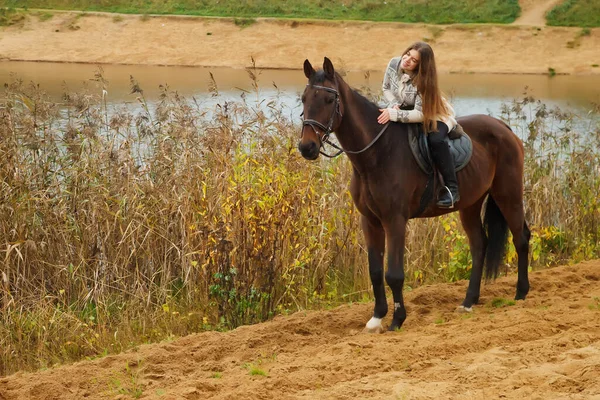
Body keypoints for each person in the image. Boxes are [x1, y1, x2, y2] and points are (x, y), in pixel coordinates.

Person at [377, 41, 460, 208]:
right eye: (407, 54)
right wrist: (393, 103)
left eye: (414, 60)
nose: (407, 60)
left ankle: (452, 189)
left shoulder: (424, 82)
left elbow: (421, 114)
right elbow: (385, 87)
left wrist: (394, 114)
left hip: (434, 114)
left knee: (436, 140)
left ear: (421, 66)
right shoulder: (394, 63)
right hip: (404, 108)